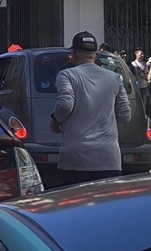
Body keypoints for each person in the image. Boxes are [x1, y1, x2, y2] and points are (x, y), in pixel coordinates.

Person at [49, 31, 131, 185]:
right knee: (105, 207)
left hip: (75, 159)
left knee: (76, 207)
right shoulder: (114, 78)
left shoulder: (66, 75)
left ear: (72, 53)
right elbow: (125, 115)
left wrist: (55, 119)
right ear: (97, 54)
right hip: (109, 158)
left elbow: (65, 104)